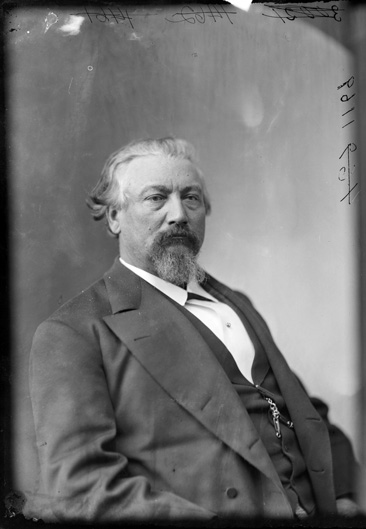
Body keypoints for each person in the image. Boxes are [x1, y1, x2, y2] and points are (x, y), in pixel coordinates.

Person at [29, 137, 360, 524]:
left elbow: (302, 410)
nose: (179, 215)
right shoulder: (73, 332)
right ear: (115, 216)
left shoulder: (235, 302)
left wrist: (344, 496)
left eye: (191, 198)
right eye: (156, 198)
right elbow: (81, 489)